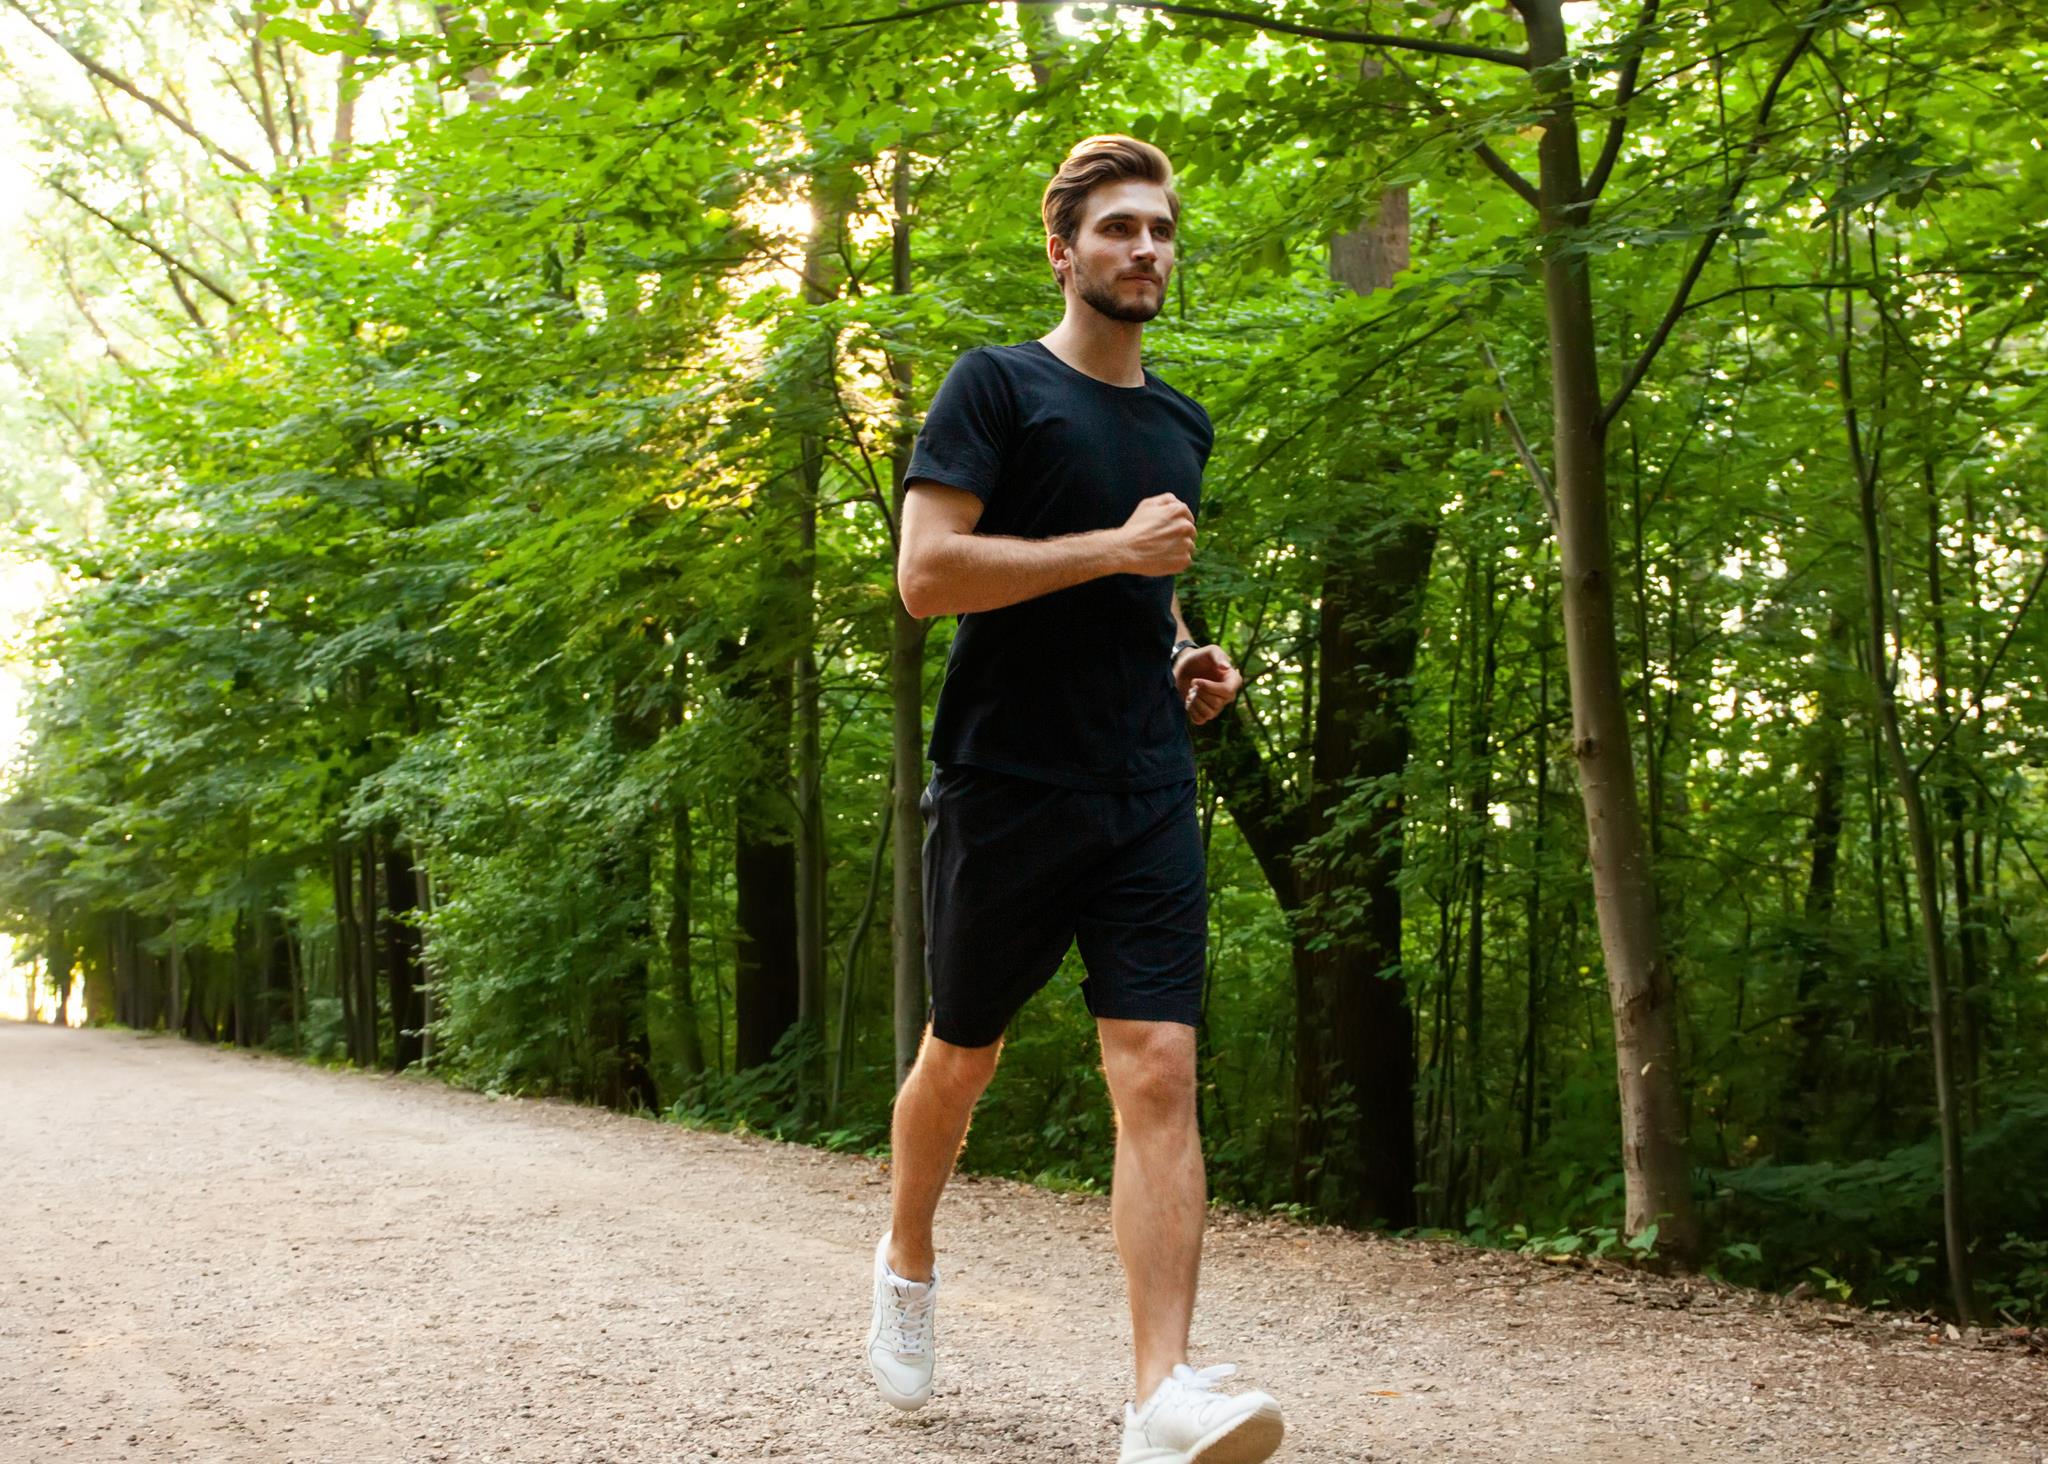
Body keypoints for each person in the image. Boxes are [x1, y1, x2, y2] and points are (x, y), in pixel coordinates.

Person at [866, 135, 1284, 1464]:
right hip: (1006, 780)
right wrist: (1116, 550)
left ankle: (1160, 1397)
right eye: (1116, 228)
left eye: (1159, 228)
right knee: (963, 1053)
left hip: (1144, 785)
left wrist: (1183, 660)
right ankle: (907, 1253)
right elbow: (927, 576)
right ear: (1063, 250)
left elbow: (1147, 598)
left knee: (1157, 1066)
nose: (1143, 248)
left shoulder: (1180, 423)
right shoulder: (995, 386)